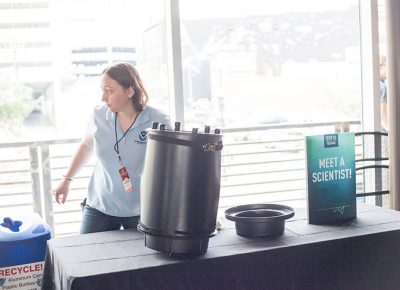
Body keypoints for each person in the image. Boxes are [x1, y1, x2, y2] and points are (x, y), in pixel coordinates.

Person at [52, 62, 172, 234]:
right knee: (88, 257)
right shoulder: (98, 115)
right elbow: (87, 145)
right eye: (102, 90)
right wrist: (67, 179)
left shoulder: (158, 120)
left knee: (142, 260)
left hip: (142, 210)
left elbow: (171, 165)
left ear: (130, 91)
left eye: (109, 90)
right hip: (100, 206)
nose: (103, 97)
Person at [379, 55, 388, 132]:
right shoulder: (383, 87)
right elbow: (383, 115)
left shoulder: (375, 85)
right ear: (381, 67)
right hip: (383, 132)